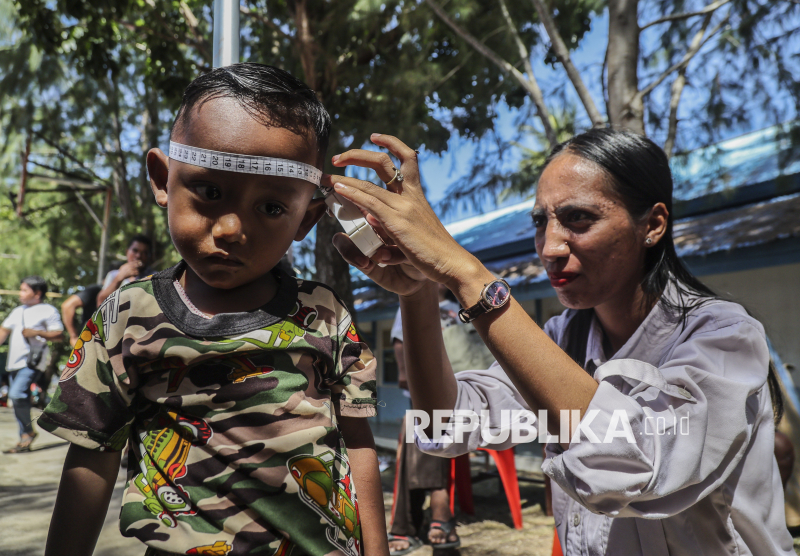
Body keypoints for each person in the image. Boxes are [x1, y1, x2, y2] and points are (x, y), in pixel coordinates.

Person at [326, 129, 794, 555]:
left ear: (652, 225)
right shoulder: (562, 339)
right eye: (541, 221)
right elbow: (446, 423)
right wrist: (418, 293)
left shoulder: (722, 336)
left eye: (579, 219)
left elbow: (639, 464)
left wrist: (466, 275)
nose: (550, 247)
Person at [39, 63, 387, 556]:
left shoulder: (324, 314)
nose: (231, 229)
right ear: (163, 179)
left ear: (305, 220)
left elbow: (356, 441)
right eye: (210, 192)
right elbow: (93, 454)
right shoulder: (125, 316)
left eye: (271, 208)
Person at [388, 284, 461, 555]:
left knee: (416, 427)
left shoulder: (460, 306)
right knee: (418, 424)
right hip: (427, 395)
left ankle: (405, 526)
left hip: (464, 396)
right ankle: (440, 507)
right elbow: (399, 341)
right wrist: (402, 371)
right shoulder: (411, 300)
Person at [0, 276, 63, 452]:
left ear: (37, 293)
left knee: (16, 394)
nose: (20, 293)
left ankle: (27, 433)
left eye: (24, 290)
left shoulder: (48, 310)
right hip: (14, 363)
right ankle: (25, 435)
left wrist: (37, 333)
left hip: (31, 362)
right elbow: (2, 332)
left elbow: (59, 335)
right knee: (17, 399)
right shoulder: (17, 311)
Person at [96, 234, 153, 305]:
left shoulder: (153, 277)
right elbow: (100, 303)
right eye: (135, 250)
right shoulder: (113, 275)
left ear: (148, 257)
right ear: (127, 252)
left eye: (144, 253)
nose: (138, 256)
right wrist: (119, 278)